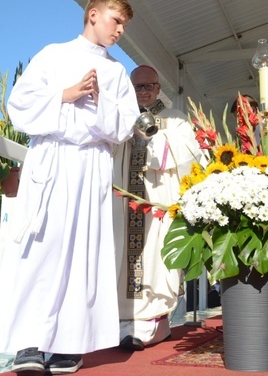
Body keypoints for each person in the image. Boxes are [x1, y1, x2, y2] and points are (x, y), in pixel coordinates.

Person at [0, 0, 140, 374]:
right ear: (93, 14)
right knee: (41, 247)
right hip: (51, 161)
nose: (119, 31)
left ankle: (70, 343)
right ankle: (29, 343)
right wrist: (65, 95)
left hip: (89, 166)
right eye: (115, 21)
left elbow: (123, 127)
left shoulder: (116, 72)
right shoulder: (54, 54)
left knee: (83, 250)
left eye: (124, 26)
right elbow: (20, 104)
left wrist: (100, 100)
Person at [112, 65, 204, 351]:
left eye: (149, 85)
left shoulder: (174, 119)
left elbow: (191, 156)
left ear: (158, 85)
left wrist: (153, 139)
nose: (144, 91)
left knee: (156, 261)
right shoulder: (121, 117)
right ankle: (120, 325)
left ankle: (154, 325)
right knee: (120, 259)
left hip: (158, 203)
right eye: (138, 87)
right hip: (123, 206)